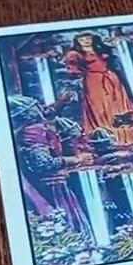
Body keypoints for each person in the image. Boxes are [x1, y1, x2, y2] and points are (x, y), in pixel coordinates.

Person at [9, 95, 93, 240]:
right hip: (52, 188)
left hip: (54, 185)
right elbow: (43, 163)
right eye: (36, 106)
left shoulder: (29, 129)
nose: (40, 109)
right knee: (67, 228)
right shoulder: (33, 131)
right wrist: (76, 160)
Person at [62, 33, 133, 145]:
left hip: (111, 78)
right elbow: (73, 69)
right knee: (100, 105)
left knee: (118, 102)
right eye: (82, 39)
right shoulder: (75, 54)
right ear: (77, 41)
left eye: (88, 38)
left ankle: (124, 126)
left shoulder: (100, 49)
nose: (86, 41)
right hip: (94, 81)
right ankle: (106, 129)